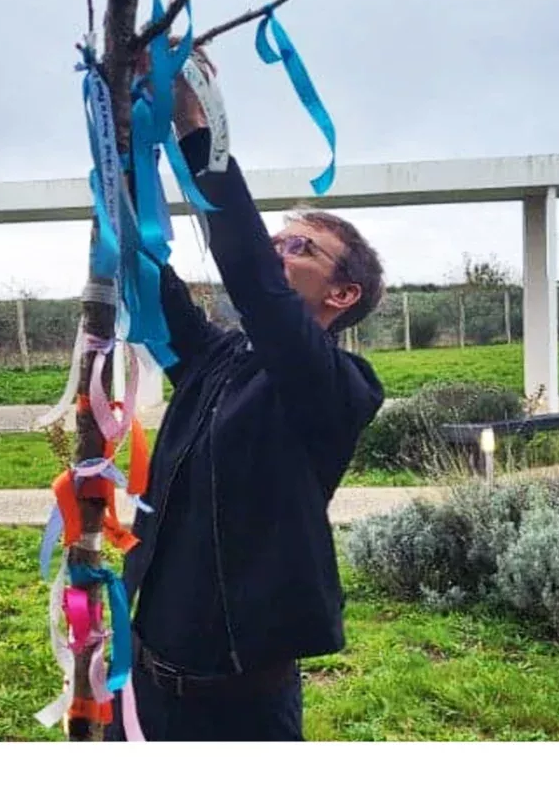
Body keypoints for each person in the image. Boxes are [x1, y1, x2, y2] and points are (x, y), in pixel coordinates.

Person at [107, 53, 385, 741]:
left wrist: (198, 126)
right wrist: (124, 145)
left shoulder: (337, 390)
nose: (274, 247)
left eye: (299, 247)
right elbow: (148, 278)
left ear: (340, 294)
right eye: (276, 238)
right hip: (140, 684)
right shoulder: (218, 359)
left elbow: (255, 280)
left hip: (239, 708)